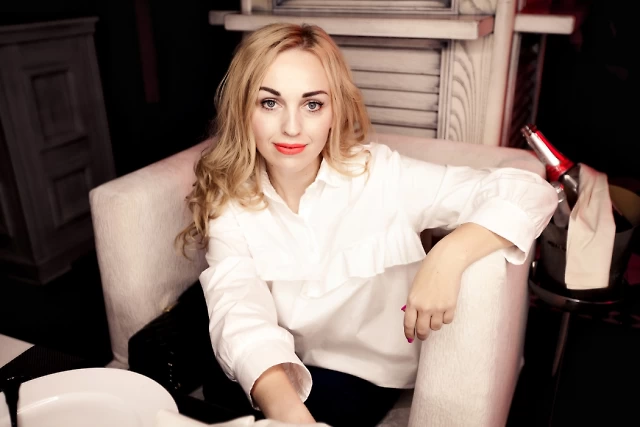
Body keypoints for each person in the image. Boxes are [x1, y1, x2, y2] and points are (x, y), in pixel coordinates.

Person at [176, 23, 557, 427]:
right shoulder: (230, 199)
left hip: (360, 373)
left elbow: (529, 189)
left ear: (334, 110)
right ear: (243, 109)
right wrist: (289, 414)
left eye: (312, 104)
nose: (291, 127)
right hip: (273, 361)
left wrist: (448, 254)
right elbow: (241, 313)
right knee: (215, 364)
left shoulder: (381, 175)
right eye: (270, 103)